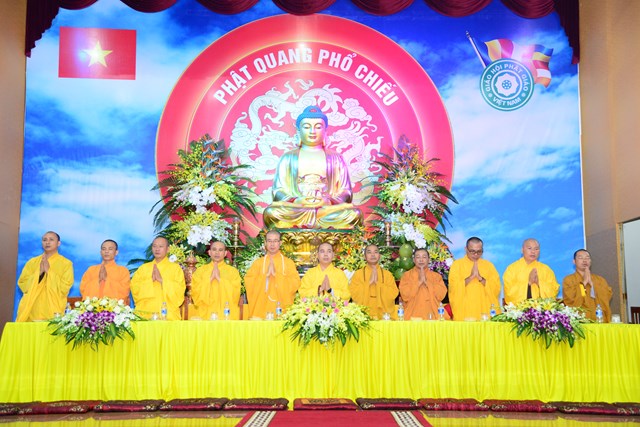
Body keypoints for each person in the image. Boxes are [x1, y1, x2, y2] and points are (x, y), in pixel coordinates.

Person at [262, 105, 363, 229]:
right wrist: (296, 200)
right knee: (271, 213)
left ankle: (310, 223)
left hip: (326, 210)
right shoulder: (288, 158)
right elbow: (278, 190)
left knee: (354, 214)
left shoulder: (336, 158)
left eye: (318, 127)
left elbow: (345, 191)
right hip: (298, 209)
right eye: (306, 127)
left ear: (325, 131)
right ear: (299, 131)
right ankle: (317, 223)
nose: (312, 131)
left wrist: (329, 201)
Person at [16, 231, 74, 322]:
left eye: (51, 240)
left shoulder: (66, 264)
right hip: (32, 309)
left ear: (58, 243)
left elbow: (65, 287)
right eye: (44, 240)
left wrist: (49, 271)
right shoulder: (32, 262)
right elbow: (22, 284)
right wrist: (39, 273)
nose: (47, 242)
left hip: (53, 309)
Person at [244, 230, 300, 319]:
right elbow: (249, 282)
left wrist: (277, 275)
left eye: (275, 241)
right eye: (269, 241)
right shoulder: (258, 263)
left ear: (280, 243)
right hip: (260, 309)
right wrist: (265, 277)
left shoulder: (288, 263)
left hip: (282, 309)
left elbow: (295, 283)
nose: (272, 244)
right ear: (265, 243)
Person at [130, 236, 186, 320]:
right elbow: (134, 288)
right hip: (145, 313)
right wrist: (150, 281)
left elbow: (179, 291)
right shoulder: (143, 268)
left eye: (161, 246)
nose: (157, 249)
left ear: (168, 249)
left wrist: (162, 281)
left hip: (168, 314)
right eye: (154, 246)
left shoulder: (175, 268)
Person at [448, 237, 501, 320]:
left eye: (479, 251)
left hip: (485, 311)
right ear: (466, 249)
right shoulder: (457, 265)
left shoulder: (489, 266)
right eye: (472, 251)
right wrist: (471, 277)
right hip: (465, 311)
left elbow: (496, 288)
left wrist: (481, 278)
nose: (476, 254)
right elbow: (454, 288)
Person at [190, 240, 242, 320]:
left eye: (220, 250)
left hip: (226, 314)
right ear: (209, 252)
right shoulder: (200, 271)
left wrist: (219, 279)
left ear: (225, 253)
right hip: (205, 314)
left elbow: (235, 294)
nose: (217, 253)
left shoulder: (233, 272)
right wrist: (210, 279)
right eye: (214, 249)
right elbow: (195, 293)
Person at [349, 244, 398, 319]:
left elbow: (394, 293)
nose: (372, 255)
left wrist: (379, 284)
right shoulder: (358, 274)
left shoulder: (387, 274)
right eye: (369, 252)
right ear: (364, 257)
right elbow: (353, 292)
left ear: (379, 256)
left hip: (383, 315)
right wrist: (369, 283)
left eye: (375, 252)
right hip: (363, 316)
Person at [562, 249, 613, 322]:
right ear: (574, 261)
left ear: (590, 261)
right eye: (580, 258)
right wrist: (584, 283)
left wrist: (593, 285)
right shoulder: (569, 280)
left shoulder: (600, 280)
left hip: (599, 319)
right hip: (580, 320)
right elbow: (570, 301)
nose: (584, 260)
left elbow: (606, 297)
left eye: (587, 258)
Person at [503, 238, 559, 304]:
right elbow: (508, 292)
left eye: (536, 249)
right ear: (522, 250)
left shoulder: (546, 269)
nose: (533, 252)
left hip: (541, 309)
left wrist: (539, 283)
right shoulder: (512, 269)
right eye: (529, 248)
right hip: (519, 309)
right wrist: (528, 283)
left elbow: (554, 290)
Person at [399, 248, 449, 320]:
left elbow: (441, 295)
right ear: (414, 260)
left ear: (429, 260)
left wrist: (427, 282)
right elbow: (405, 295)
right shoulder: (406, 276)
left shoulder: (436, 276)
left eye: (424, 257)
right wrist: (419, 282)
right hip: (412, 315)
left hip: (433, 314)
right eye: (418, 257)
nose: (421, 260)